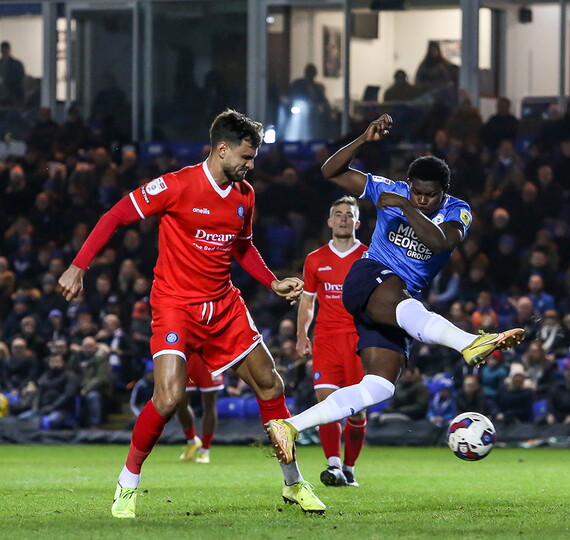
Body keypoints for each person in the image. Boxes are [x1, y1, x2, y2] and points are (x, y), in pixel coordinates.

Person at [57, 109, 324, 518]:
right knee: (168, 398)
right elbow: (115, 215)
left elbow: (242, 246)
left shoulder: (245, 195)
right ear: (221, 149)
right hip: (175, 306)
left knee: (271, 386)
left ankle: (294, 483)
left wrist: (271, 281)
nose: (251, 166)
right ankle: (127, 484)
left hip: (224, 305)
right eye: (246, 157)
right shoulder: (176, 185)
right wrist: (78, 266)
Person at [266, 114, 523, 463]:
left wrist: (404, 207)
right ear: (408, 182)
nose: (420, 199)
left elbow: (439, 243)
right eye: (415, 191)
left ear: (443, 192)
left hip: (397, 305)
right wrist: (362, 140)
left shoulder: (457, 210)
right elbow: (330, 172)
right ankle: (468, 343)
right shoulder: (390, 188)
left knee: (380, 386)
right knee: (400, 299)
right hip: (367, 276)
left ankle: (291, 427)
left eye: (429, 195)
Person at [296, 196, 369, 488]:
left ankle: (349, 468)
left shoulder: (368, 256)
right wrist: (302, 334)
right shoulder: (315, 259)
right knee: (326, 403)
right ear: (329, 222)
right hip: (325, 339)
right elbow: (307, 300)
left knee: (357, 409)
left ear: (357, 222)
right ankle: (334, 465)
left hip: (358, 340)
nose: (343, 219)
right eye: (338, 214)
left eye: (348, 215)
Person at [175, 356, 222, 464]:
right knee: (180, 403)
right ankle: (192, 440)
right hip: (187, 357)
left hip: (209, 356)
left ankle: (205, 449)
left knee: (209, 404)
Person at [0, 41, 26, 106]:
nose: (4, 51)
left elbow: (21, 80)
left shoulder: (16, 64)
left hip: (12, 96)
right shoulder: (16, 64)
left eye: (5, 49)